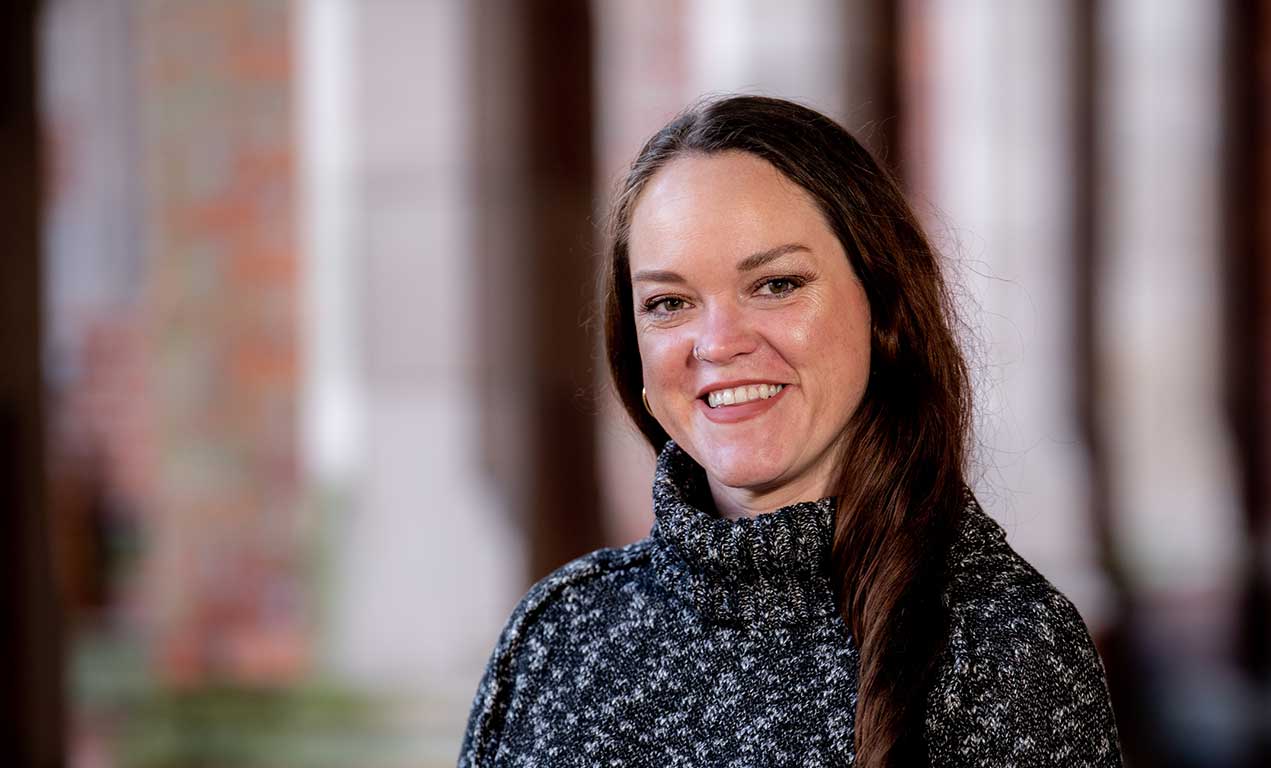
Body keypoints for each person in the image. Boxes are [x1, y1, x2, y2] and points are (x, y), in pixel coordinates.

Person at [457, 95, 1122, 767]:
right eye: (669, 302)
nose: (717, 344)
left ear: (883, 306)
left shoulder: (1004, 647)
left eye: (775, 284)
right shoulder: (558, 638)